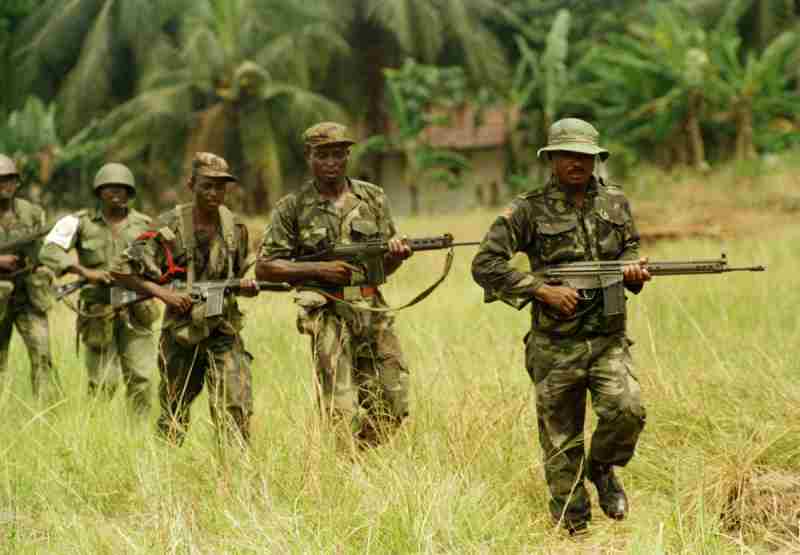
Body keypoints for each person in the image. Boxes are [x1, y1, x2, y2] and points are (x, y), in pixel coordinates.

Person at [471, 118, 650, 534]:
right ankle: (573, 531)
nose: (578, 163)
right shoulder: (527, 209)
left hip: (608, 339)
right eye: (569, 155)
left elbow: (631, 246)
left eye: (586, 156)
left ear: (596, 159)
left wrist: (633, 269)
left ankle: (603, 468)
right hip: (554, 346)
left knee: (628, 411)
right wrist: (539, 290)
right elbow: (485, 264)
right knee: (560, 444)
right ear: (551, 159)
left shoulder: (616, 203)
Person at [256, 122, 411, 447]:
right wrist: (320, 269)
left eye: (338, 154)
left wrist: (397, 255)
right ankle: (345, 474)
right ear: (309, 157)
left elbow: (382, 267)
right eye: (323, 154)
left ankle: (360, 455)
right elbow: (265, 267)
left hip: (371, 308)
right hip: (325, 310)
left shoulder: (372, 197)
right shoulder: (292, 207)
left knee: (394, 401)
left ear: (347, 156)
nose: (332, 162)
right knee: (340, 408)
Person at [110, 152, 258, 445]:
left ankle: (234, 473)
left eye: (221, 186)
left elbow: (242, 273)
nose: (215, 192)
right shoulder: (168, 226)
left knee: (235, 403)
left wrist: (247, 286)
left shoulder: (235, 228)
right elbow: (120, 270)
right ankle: (166, 469)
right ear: (191, 184)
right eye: (207, 185)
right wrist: (164, 294)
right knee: (175, 410)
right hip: (181, 332)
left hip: (223, 329)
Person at [40, 163, 156, 414]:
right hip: (98, 312)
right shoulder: (79, 223)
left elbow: (168, 262)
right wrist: (83, 271)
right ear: (98, 192)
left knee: (142, 379)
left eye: (122, 189)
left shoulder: (146, 226)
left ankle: (139, 437)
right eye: (109, 188)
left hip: (137, 309)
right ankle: (97, 432)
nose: (116, 193)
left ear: (130, 193)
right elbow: (48, 251)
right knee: (103, 382)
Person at [0, 153, 60, 401]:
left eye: (8, 179)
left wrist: (46, 268)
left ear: (17, 183)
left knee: (42, 356)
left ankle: (46, 417)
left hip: (27, 295)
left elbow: (47, 251)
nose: (4, 185)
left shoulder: (32, 213)